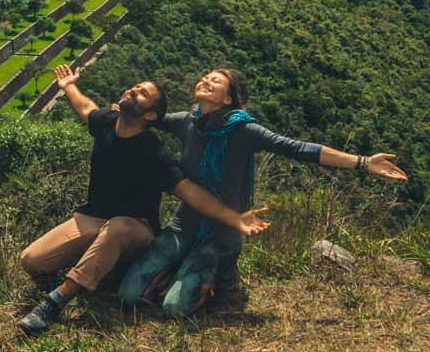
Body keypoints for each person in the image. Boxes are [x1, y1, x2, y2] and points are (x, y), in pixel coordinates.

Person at [119, 67, 409, 318]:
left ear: (228, 99)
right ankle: (178, 268)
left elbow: (299, 148)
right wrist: (112, 112)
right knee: (128, 294)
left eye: (215, 81)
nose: (206, 80)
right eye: (205, 77)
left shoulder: (244, 130)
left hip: (222, 232)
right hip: (185, 225)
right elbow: (146, 116)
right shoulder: (187, 121)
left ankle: (220, 277)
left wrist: (363, 162)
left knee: (174, 308)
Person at [17, 64, 272, 336]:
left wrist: (235, 217)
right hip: (93, 219)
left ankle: (53, 304)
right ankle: (101, 271)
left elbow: (191, 193)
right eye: (135, 88)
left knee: (118, 228)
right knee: (31, 260)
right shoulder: (106, 123)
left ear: (150, 114)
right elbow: (85, 108)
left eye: (142, 94)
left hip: (136, 230)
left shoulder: (155, 153)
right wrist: (68, 86)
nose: (133, 90)